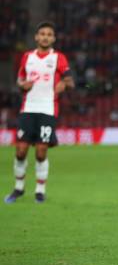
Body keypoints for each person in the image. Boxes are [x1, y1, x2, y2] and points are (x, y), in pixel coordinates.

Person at [5, 21, 74, 203]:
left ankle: (40, 190)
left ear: (54, 38)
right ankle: (18, 188)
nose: (45, 37)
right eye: (42, 33)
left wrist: (64, 84)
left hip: (48, 109)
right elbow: (20, 80)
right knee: (20, 150)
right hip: (28, 108)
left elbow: (71, 82)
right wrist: (22, 85)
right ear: (36, 37)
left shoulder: (59, 58)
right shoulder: (27, 57)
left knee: (41, 151)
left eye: (49, 34)